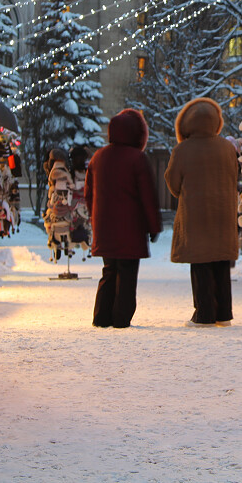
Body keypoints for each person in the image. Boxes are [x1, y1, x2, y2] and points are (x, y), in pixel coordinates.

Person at [164, 97, 240, 327]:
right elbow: (234, 178)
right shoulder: (228, 147)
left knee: (200, 263)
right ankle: (223, 314)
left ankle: (204, 314)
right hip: (224, 214)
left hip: (196, 216)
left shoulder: (182, 149)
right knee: (220, 262)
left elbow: (173, 182)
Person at [85, 109, 161, 328]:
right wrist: (153, 226)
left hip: (105, 228)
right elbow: (147, 195)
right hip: (130, 229)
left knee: (108, 271)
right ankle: (121, 319)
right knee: (127, 274)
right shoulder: (137, 159)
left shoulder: (98, 157)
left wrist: (95, 219)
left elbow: (90, 194)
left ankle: (101, 317)